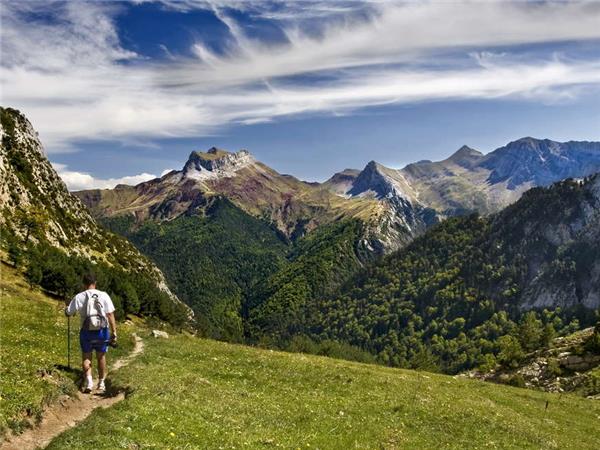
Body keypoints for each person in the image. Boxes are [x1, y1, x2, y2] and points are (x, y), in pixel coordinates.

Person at [65, 273, 117, 394]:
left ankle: (89, 382)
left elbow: (69, 312)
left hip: (86, 332)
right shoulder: (104, 295)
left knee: (87, 357)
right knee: (101, 356)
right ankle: (101, 382)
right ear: (95, 283)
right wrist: (114, 331)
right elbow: (110, 314)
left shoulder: (79, 297)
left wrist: (66, 309)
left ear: (84, 284)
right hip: (102, 331)